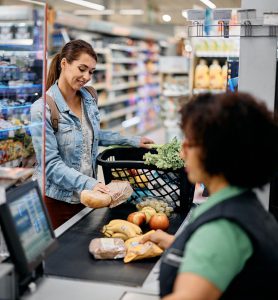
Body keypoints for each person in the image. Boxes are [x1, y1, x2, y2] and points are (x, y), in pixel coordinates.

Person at [141, 92, 278, 300]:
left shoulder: (222, 227)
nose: (181, 153)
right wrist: (174, 243)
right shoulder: (244, 205)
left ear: (217, 150)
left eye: (189, 144)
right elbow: (225, 259)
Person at [31, 40, 154, 229]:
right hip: (56, 201)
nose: (86, 76)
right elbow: (50, 165)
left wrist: (133, 141)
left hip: (87, 197)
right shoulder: (43, 109)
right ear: (64, 64)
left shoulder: (88, 98)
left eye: (91, 71)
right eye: (82, 69)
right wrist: (90, 183)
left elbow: (93, 135)